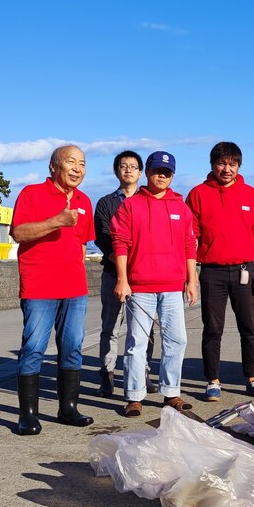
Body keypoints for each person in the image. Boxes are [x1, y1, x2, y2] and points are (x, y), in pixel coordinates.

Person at [9, 145, 95, 435]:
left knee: (72, 348)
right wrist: (56, 221)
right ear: (53, 167)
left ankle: (68, 408)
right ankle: (28, 415)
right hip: (39, 286)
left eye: (82, 164)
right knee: (33, 348)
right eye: (71, 162)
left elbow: (83, 242)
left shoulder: (84, 200)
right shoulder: (32, 193)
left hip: (75, 287)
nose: (77, 168)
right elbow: (18, 233)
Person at [112, 151, 198, 417]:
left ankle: (171, 393)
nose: (162, 176)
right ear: (147, 172)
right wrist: (122, 280)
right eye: (157, 170)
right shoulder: (130, 205)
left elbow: (189, 245)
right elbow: (120, 243)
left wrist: (192, 281)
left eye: (167, 172)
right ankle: (134, 396)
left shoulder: (181, 207)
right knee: (136, 342)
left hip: (173, 285)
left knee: (176, 340)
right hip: (140, 286)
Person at [186, 141, 254, 401]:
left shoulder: (250, 194)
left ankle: (253, 378)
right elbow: (193, 238)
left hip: (245, 270)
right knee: (212, 328)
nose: (227, 169)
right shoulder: (198, 194)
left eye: (232, 164)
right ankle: (213, 381)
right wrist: (191, 276)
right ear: (212, 165)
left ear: (239, 166)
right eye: (222, 163)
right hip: (212, 272)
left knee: (250, 327)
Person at [93, 151, 157, 398]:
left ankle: (144, 372)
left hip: (143, 276)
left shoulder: (150, 201)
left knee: (145, 328)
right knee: (110, 326)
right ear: (116, 171)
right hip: (113, 274)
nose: (128, 170)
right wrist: (122, 266)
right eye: (123, 166)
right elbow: (103, 237)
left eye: (133, 166)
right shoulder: (106, 203)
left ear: (141, 173)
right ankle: (107, 375)